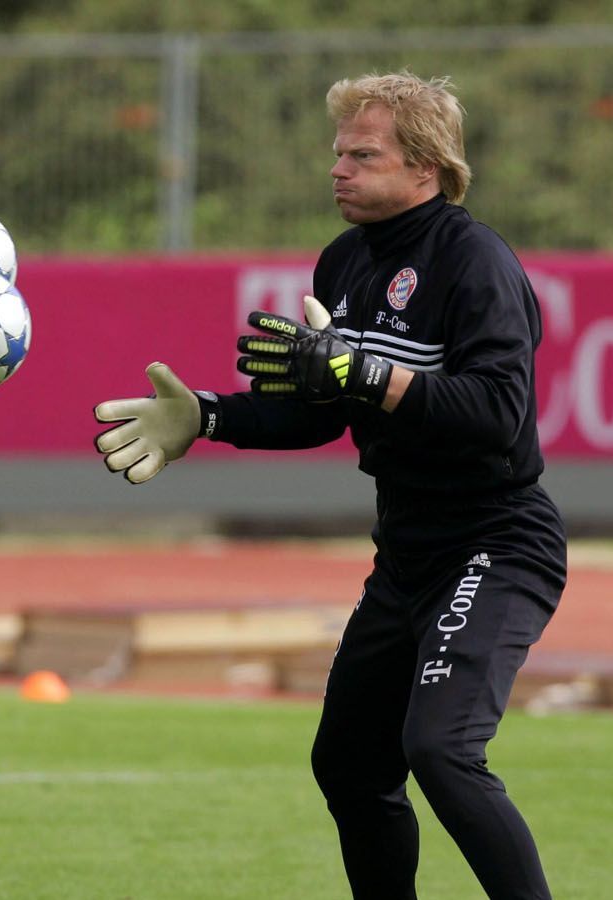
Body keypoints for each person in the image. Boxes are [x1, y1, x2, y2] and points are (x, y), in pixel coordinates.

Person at [94, 71, 565, 900]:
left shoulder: (474, 260)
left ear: (426, 166)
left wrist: (361, 369)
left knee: (441, 751)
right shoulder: (345, 261)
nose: (339, 169)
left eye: (363, 154)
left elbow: (498, 412)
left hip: (494, 543)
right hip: (407, 557)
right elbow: (318, 411)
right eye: (337, 153)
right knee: (349, 764)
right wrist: (205, 417)